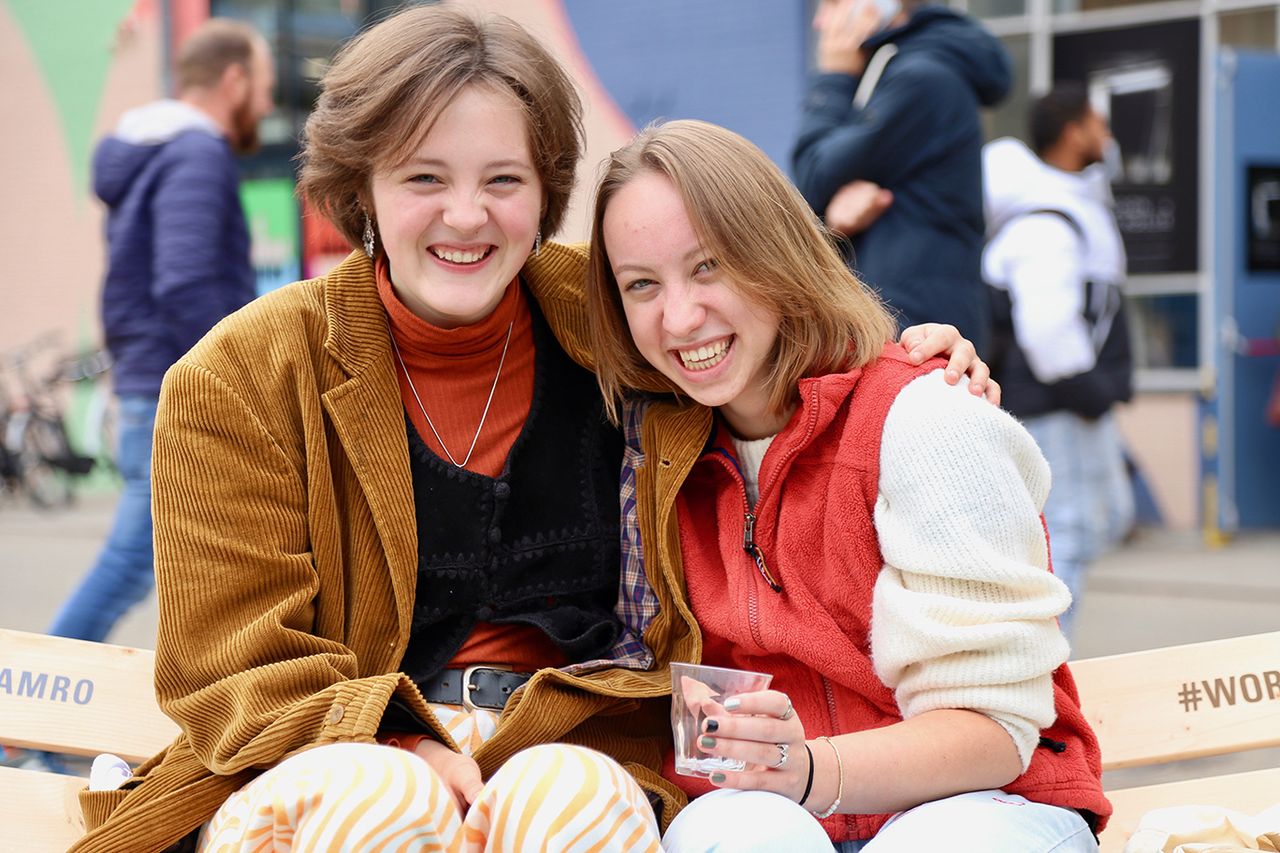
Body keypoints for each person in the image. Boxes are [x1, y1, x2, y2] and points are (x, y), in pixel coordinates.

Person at [69, 9, 992, 851]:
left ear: (544, 190)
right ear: (362, 187)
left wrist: (906, 361)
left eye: (502, 180)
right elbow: (229, 662)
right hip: (327, 754)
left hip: (582, 743)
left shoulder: (618, 320)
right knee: (381, 802)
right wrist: (403, 742)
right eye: (424, 177)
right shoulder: (242, 375)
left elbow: (756, 340)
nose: (465, 217)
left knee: (570, 802)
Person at [584, 120, 1110, 852]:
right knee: (733, 834)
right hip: (772, 811)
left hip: (982, 804)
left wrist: (804, 769)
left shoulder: (927, 416)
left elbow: (995, 735)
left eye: (708, 266)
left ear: (773, 252)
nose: (678, 316)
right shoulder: (658, 456)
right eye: (642, 284)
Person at [46, 18, 275, 646]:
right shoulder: (197, 152)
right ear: (234, 80)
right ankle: (26, 707)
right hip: (177, 389)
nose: (267, 102)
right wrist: (247, 370)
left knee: (199, 566)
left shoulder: (161, 154)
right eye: (263, 84)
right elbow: (188, 282)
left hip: (154, 381)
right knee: (131, 561)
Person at [982, 85, 1135, 641]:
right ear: (1074, 132)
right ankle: (1040, 676)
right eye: (1100, 124)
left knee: (1101, 521)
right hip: (1057, 402)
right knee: (1068, 531)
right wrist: (1089, 391)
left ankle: (1038, 664)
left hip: (1071, 400)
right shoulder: (1045, 218)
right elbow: (1047, 329)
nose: (1107, 137)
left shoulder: (1072, 205)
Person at [792, 0, 1011, 354]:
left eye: (831, 4)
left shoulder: (920, 79)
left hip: (915, 329)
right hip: (912, 320)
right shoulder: (895, 71)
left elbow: (811, 176)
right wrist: (833, 223)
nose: (819, 22)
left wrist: (832, 78)